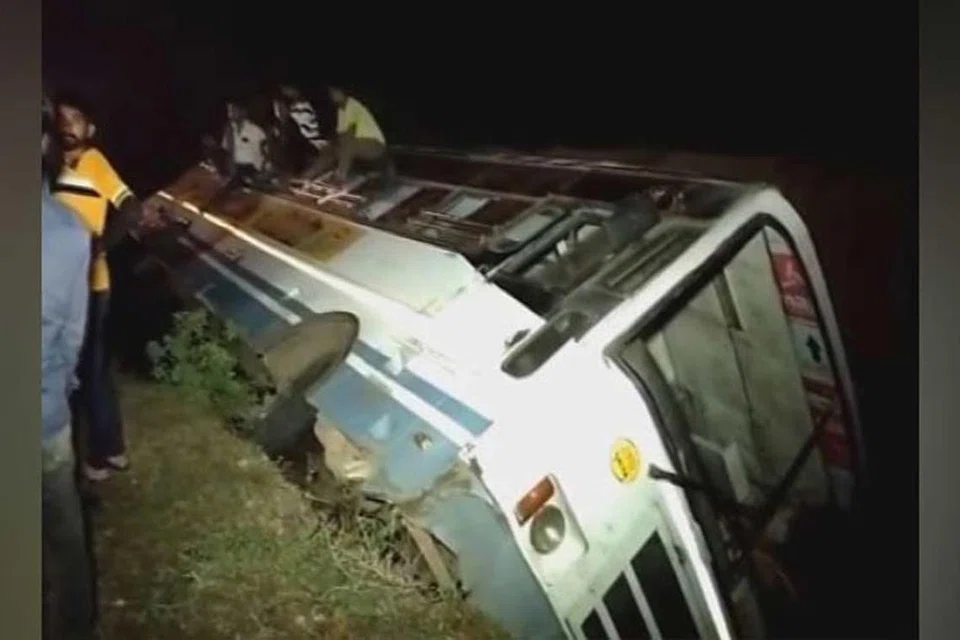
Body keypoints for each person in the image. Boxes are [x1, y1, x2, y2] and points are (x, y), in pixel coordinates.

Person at [53, 90, 144, 482]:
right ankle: (111, 448)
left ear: (90, 128)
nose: (67, 125)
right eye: (62, 117)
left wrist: (99, 247)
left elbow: (132, 208)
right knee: (91, 368)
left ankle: (97, 453)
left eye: (76, 119)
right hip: (61, 283)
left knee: (84, 368)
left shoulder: (93, 161)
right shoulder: (54, 165)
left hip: (90, 283)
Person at [42, 101, 97, 640]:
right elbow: (72, 338)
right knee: (63, 538)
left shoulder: (95, 167)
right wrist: (61, 390)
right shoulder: (68, 232)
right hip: (43, 416)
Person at [329, 86, 392, 183]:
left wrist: (341, 151)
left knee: (348, 144)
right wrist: (334, 148)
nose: (333, 96)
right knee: (332, 148)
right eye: (331, 94)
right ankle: (309, 177)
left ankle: (340, 177)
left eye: (335, 93)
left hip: (375, 145)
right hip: (360, 145)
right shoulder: (341, 111)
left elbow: (349, 132)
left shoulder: (353, 105)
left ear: (343, 93)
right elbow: (340, 134)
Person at [220, 100, 269, 187]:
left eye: (233, 110)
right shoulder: (229, 130)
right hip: (234, 169)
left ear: (242, 112)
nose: (230, 114)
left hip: (251, 170)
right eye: (229, 111)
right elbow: (226, 151)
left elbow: (266, 152)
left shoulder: (256, 130)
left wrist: (263, 169)